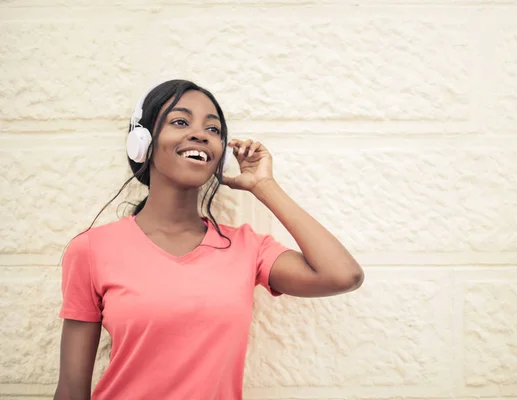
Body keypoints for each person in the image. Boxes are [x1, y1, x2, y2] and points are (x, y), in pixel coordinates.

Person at [53, 79, 364, 400]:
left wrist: (263, 185)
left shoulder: (247, 248)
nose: (201, 134)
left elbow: (342, 275)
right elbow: (72, 389)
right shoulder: (91, 249)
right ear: (141, 141)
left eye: (213, 129)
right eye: (180, 121)